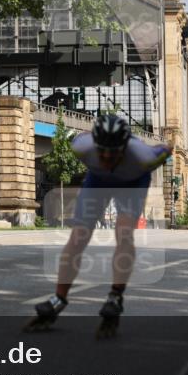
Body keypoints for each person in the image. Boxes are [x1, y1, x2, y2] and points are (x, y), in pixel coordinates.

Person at [26, 114, 172, 337]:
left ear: (124, 147)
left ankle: (115, 296)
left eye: (114, 152)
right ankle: (59, 298)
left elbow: (167, 149)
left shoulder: (144, 157)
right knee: (78, 238)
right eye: (102, 150)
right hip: (98, 181)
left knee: (124, 234)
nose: (106, 156)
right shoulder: (82, 147)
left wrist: (170, 146)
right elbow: (82, 137)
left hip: (133, 182)